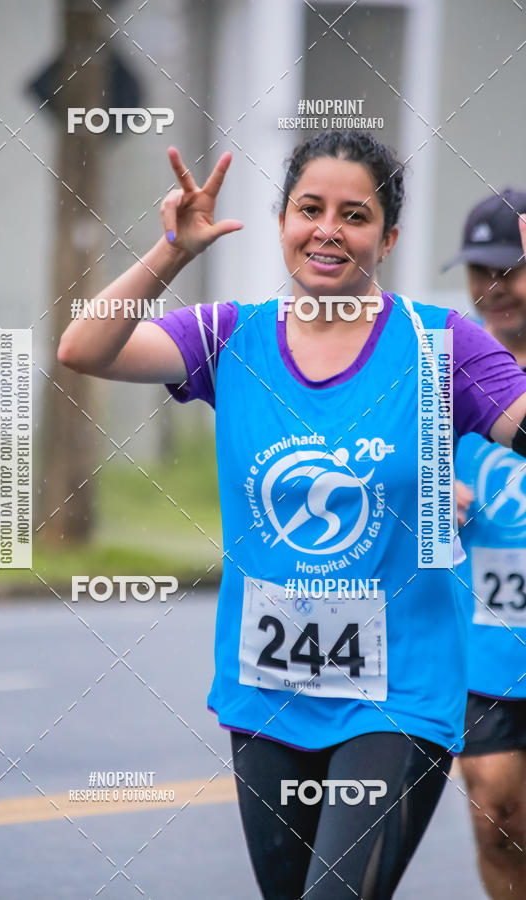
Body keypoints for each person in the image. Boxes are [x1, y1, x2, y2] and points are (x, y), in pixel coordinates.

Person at [58, 130, 526, 899]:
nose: (328, 230)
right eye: (310, 209)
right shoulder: (229, 336)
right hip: (267, 695)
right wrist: (172, 252)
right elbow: (84, 348)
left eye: (355, 215)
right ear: (281, 222)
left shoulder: (443, 346)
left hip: (398, 697)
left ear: (390, 238)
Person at [446, 189, 526, 900]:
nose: (492, 287)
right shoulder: (446, 365)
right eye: (479, 270)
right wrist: (428, 488)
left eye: (510, 269)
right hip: (485, 637)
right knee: (496, 815)